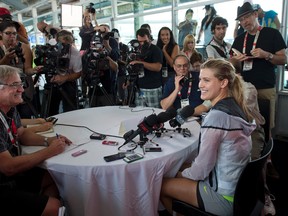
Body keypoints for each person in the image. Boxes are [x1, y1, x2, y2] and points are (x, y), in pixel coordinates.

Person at [160, 59, 255, 215]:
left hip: (224, 197)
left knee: (162, 184)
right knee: (183, 166)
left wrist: (179, 175)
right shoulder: (236, 106)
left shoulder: (216, 117)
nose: (200, 85)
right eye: (200, 80)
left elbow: (201, 170)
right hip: (239, 189)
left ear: (223, 83)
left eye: (206, 80)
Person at [0, 65, 71, 216]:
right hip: (4, 182)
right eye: (15, 85)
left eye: (21, 84)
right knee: (56, 207)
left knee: (55, 177)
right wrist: (49, 151)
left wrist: (49, 140)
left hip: (11, 177)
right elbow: (8, 167)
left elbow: (21, 133)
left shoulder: (10, 109)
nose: (22, 90)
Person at [231, 2, 287, 132]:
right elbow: (231, 63)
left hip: (265, 88)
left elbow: (284, 59)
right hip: (243, 89)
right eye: (241, 20)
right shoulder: (239, 39)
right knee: (245, 126)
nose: (244, 22)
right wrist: (236, 60)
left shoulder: (272, 34)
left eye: (247, 17)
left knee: (266, 127)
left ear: (255, 14)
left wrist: (267, 55)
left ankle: (267, 151)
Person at [0, 21, 41, 118]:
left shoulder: (24, 47)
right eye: (8, 33)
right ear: (1, 33)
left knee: (25, 115)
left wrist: (34, 70)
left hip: (23, 90)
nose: (12, 36)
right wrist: (5, 59)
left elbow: (26, 70)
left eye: (14, 33)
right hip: (4, 92)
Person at [45, 30, 82, 116]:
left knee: (71, 112)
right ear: (56, 41)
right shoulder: (51, 48)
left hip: (68, 83)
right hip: (52, 82)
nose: (64, 46)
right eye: (62, 43)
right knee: (51, 111)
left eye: (68, 44)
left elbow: (78, 73)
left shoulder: (75, 53)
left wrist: (65, 78)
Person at [84, 24, 119, 107]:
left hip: (107, 84)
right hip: (93, 83)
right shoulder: (92, 40)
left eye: (105, 31)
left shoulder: (111, 41)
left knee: (108, 111)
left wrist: (105, 46)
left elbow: (115, 57)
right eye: (101, 31)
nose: (103, 33)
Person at [129, 28, 163, 108]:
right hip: (139, 88)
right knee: (139, 113)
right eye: (140, 41)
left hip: (152, 88)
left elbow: (158, 67)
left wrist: (141, 63)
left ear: (149, 38)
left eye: (145, 41)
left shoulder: (155, 50)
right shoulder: (135, 50)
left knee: (155, 113)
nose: (143, 44)